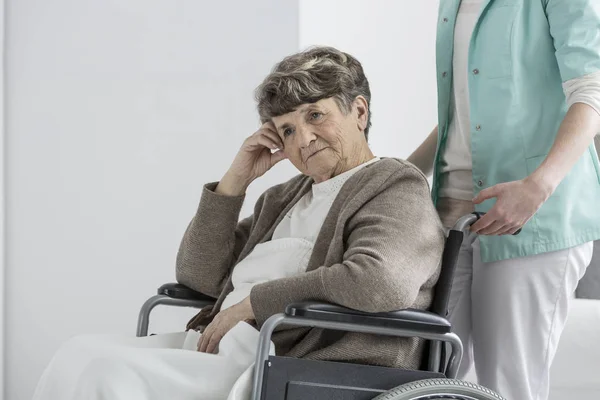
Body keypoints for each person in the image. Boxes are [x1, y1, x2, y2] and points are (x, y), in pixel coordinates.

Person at [33, 46, 445, 400]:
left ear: (358, 110)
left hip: (293, 361)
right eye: (287, 129)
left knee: (108, 372)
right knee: (78, 353)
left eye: (315, 115)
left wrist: (252, 304)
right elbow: (198, 275)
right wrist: (236, 181)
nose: (302, 139)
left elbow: (379, 282)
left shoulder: (392, 185)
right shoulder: (286, 197)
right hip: (230, 348)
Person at [407, 1, 600, 400]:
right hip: (449, 214)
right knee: (431, 380)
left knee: (506, 387)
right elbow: (459, 109)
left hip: (532, 217)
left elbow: (592, 91)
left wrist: (536, 187)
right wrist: (397, 176)